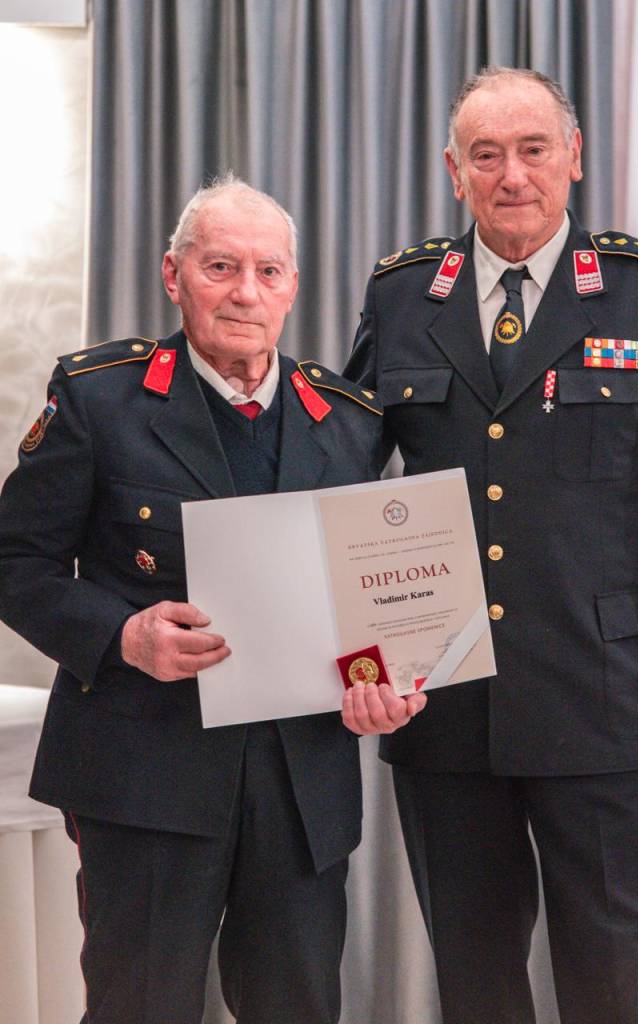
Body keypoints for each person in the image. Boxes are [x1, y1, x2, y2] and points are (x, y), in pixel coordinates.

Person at [343, 67, 638, 1024]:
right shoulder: (403, 294)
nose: (512, 175)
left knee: (621, 978)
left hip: (607, 700)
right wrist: (360, 660)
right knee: (474, 978)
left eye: (533, 150)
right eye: (486, 155)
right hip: (444, 702)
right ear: (455, 171)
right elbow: (345, 486)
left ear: (574, 157)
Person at [0, 175, 425, 1024]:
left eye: (269, 271)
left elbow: (364, 596)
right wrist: (123, 634)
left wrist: (386, 681)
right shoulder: (99, 397)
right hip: (143, 773)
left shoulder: (350, 422)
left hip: (301, 788)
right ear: (174, 275)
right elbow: (16, 561)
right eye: (220, 266)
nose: (245, 293)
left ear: (293, 286)